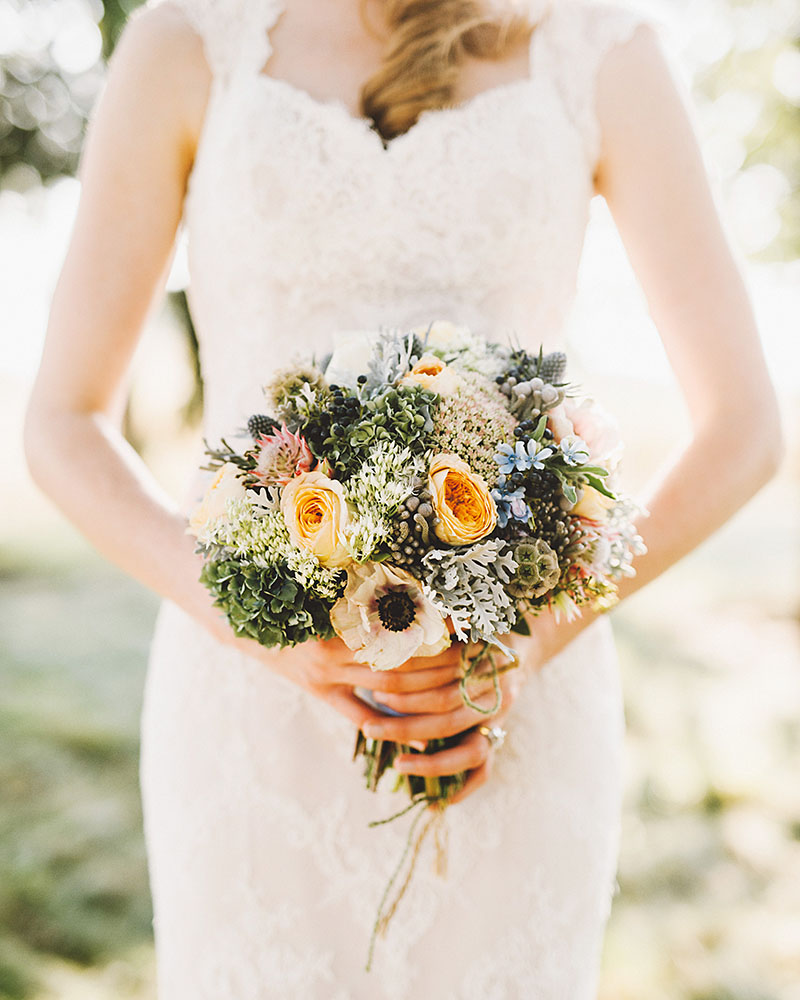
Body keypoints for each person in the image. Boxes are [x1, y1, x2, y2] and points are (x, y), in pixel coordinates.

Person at [23, 0, 783, 996]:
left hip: (507, 704)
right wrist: (252, 625)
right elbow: (63, 422)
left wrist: (530, 645)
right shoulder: (190, 40)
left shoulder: (598, 47)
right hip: (246, 704)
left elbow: (745, 428)